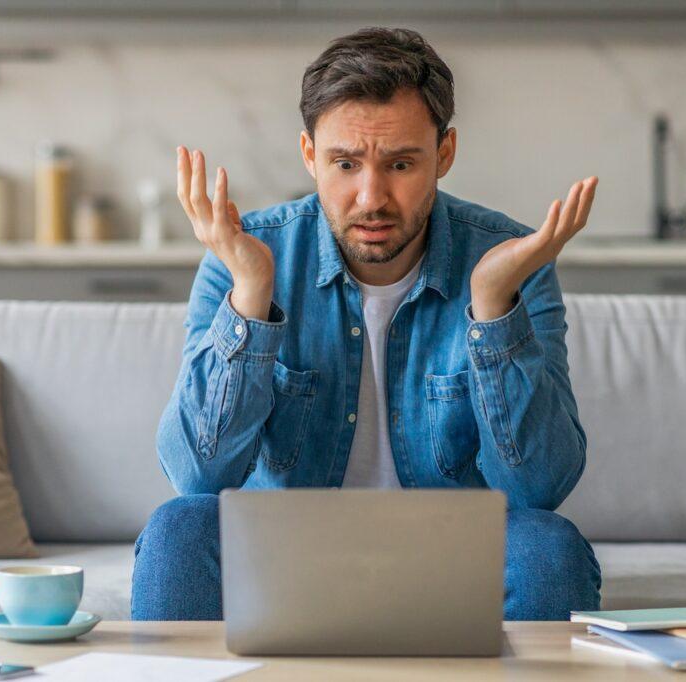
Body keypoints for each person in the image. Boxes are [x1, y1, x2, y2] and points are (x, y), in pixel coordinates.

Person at [132, 26, 601, 622]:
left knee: (549, 548)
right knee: (179, 527)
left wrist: (492, 305)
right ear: (309, 156)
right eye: (345, 163)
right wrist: (251, 297)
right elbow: (196, 474)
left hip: (452, 563)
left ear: (445, 154)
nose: (371, 197)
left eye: (401, 163)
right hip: (286, 558)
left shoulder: (511, 261)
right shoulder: (244, 255)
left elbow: (540, 488)